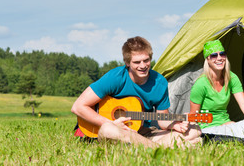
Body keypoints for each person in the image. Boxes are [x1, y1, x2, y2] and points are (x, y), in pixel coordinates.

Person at [71, 36, 201, 148]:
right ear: (127, 63)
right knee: (107, 129)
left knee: (195, 130)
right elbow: (78, 107)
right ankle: (158, 148)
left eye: (146, 60)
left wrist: (175, 124)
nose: (143, 66)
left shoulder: (159, 82)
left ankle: (142, 146)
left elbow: (162, 120)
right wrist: (111, 123)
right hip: (115, 131)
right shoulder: (116, 77)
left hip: (144, 132)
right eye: (137, 62)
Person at [189, 40, 244, 130]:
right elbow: (193, 117)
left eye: (222, 54)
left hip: (225, 122)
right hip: (206, 126)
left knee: (235, 127)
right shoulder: (201, 84)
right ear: (207, 60)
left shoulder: (232, 78)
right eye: (213, 55)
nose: (219, 58)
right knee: (232, 128)